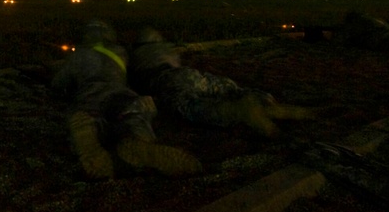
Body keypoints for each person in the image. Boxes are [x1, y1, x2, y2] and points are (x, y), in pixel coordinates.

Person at [50, 19, 202, 179]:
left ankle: (88, 133)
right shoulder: (121, 52)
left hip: (91, 97)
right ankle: (138, 142)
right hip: (125, 97)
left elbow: (58, 84)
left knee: (87, 119)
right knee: (134, 120)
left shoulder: (78, 55)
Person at [128, 27, 313, 137]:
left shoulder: (136, 56)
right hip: (188, 73)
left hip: (166, 80)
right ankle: (264, 103)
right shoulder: (166, 48)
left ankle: (238, 111)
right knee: (228, 89)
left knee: (192, 106)